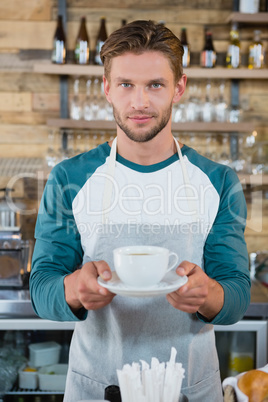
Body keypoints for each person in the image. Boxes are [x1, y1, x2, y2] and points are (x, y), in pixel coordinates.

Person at [30, 20, 251, 402]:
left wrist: (209, 293)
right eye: (126, 84)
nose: (140, 102)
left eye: (155, 85)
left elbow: (236, 293)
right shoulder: (70, 177)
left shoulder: (218, 181)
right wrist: (74, 289)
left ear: (179, 88)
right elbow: (41, 285)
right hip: (96, 387)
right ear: (106, 88)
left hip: (190, 389)